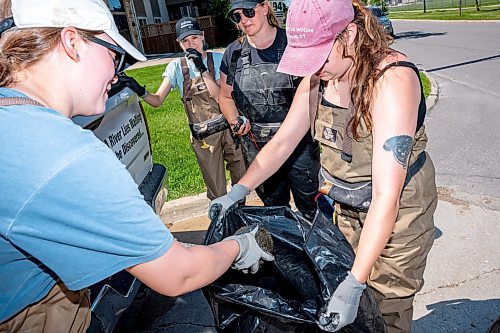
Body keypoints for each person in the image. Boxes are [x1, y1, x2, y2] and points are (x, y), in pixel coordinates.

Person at [0, 1, 273, 331]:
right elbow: (177, 273)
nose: (116, 72)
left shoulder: (13, 118)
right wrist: (240, 247)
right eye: (114, 55)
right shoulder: (66, 155)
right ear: (72, 42)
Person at [210, 0, 437, 332]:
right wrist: (238, 192)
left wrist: (356, 282)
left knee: (385, 307)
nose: (314, 69)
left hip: (400, 213)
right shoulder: (319, 79)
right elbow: (282, 144)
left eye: (320, 56)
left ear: (350, 34)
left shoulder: (391, 82)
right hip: (348, 208)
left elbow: (387, 196)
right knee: (345, 299)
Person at [215, 0, 320, 221]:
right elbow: (224, 96)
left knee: (312, 209)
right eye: (237, 17)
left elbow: (318, 89)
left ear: (265, 7)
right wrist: (235, 121)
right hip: (258, 146)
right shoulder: (233, 54)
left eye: (248, 12)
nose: (243, 20)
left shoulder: (295, 44)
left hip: (300, 144)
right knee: (274, 212)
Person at [120, 17, 246, 201]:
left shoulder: (218, 59)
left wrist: (202, 69)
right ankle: (224, 221)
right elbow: (157, 101)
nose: (191, 44)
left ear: (202, 36)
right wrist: (139, 90)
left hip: (228, 129)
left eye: (194, 38)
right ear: (179, 43)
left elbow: (220, 96)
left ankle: (242, 213)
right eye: (185, 41)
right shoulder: (176, 67)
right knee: (216, 189)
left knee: (241, 178)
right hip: (204, 136)